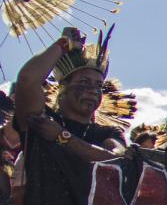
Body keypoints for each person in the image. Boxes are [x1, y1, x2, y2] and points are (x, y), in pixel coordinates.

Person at [12, 27, 127, 161]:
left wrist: (61, 136)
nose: (93, 90)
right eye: (84, 82)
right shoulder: (42, 120)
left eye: (99, 85)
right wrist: (63, 44)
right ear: (63, 88)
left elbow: (118, 158)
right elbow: (27, 80)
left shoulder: (108, 133)